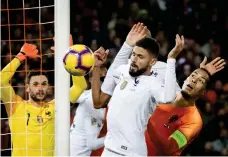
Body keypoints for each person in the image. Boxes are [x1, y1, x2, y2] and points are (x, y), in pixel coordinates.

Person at [91, 33, 185, 156]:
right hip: (109, 150)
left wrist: (171, 58)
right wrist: (97, 66)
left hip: (132, 153)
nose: (134, 60)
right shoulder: (123, 71)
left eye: (140, 57)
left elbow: (168, 98)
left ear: (152, 62)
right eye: (133, 54)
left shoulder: (153, 84)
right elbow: (101, 96)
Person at [0, 43, 87, 156]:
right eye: (35, 84)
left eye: (44, 84)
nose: (40, 88)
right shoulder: (15, 105)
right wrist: (20, 57)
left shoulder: (55, 106)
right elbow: (1, 81)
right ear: (27, 88)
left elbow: (80, 86)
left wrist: (72, 58)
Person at [146, 57, 226, 156]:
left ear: (203, 92)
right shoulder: (167, 91)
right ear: (186, 78)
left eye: (200, 81)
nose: (193, 80)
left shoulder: (194, 120)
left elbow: (170, 147)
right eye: (193, 75)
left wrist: (147, 122)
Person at [70, 67, 107, 156]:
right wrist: (114, 138)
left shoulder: (88, 95)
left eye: (106, 78)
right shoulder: (90, 102)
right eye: (101, 78)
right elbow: (92, 144)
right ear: (91, 80)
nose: (105, 81)